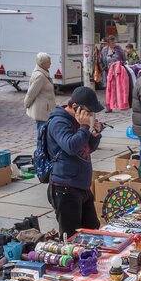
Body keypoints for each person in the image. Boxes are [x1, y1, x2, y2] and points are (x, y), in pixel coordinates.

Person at [46, 87, 105, 237]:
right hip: (65, 187)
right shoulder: (59, 122)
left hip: (81, 185)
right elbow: (71, 146)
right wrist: (85, 127)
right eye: (89, 111)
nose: (91, 115)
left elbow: (86, 149)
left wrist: (95, 135)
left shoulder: (78, 121)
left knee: (92, 229)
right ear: (75, 107)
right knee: (72, 235)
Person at [24, 52, 56, 145]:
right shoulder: (40, 76)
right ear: (43, 64)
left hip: (45, 109)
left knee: (43, 132)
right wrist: (26, 104)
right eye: (49, 62)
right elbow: (31, 93)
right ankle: (40, 153)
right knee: (42, 133)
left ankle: (43, 151)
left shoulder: (43, 73)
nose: (51, 63)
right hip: (42, 110)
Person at [100, 37, 125, 113]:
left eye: (114, 43)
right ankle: (109, 107)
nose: (113, 44)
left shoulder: (119, 49)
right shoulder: (104, 50)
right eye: (112, 43)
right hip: (108, 73)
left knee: (118, 89)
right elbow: (101, 60)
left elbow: (124, 58)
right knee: (109, 90)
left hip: (117, 73)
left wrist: (119, 65)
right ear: (108, 43)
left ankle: (120, 104)